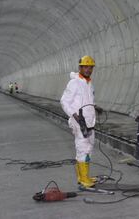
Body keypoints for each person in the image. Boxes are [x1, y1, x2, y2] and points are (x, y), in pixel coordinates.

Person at [60, 55, 103, 188]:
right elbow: (64, 101)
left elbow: (86, 101)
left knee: (88, 149)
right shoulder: (74, 83)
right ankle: (84, 179)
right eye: (85, 67)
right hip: (79, 121)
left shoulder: (89, 83)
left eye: (90, 67)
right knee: (82, 149)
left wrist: (95, 107)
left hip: (89, 121)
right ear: (80, 68)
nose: (88, 70)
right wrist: (74, 116)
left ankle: (83, 176)